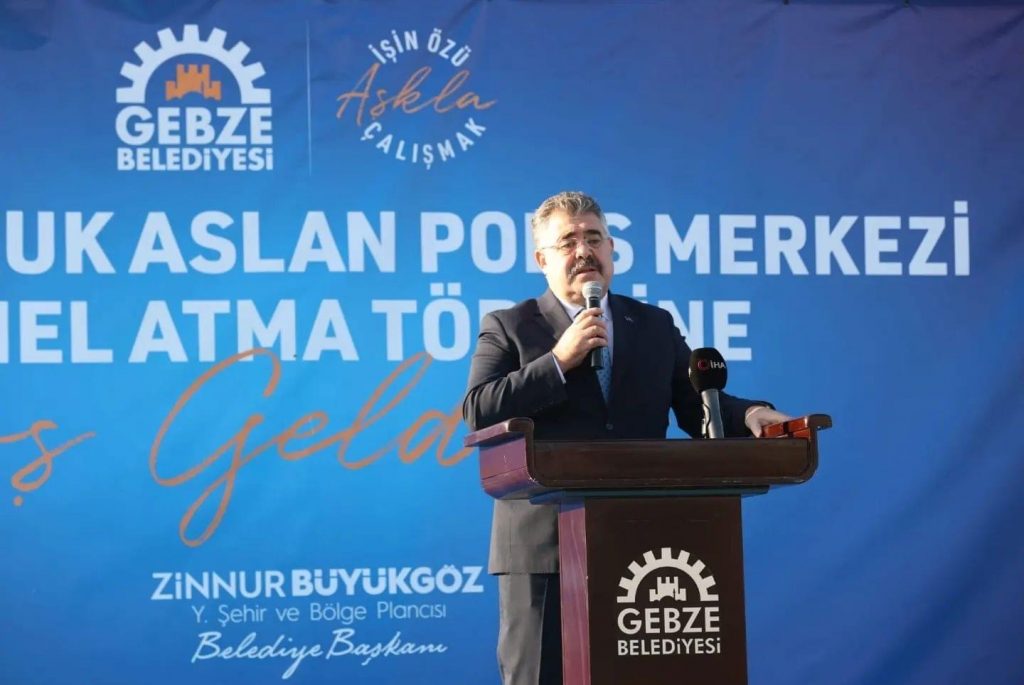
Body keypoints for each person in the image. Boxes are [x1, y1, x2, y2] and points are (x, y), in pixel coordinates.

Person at [462, 191, 789, 685]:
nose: (583, 251)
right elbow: (479, 408)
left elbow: (696, 406)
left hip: (642, 545)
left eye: (594, 238)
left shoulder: (652, 325)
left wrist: (753, 414)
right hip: (543, 549)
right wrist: (559, 361)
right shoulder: (509, 326)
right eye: (567, 241)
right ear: (542, 259)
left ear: (612, 248)